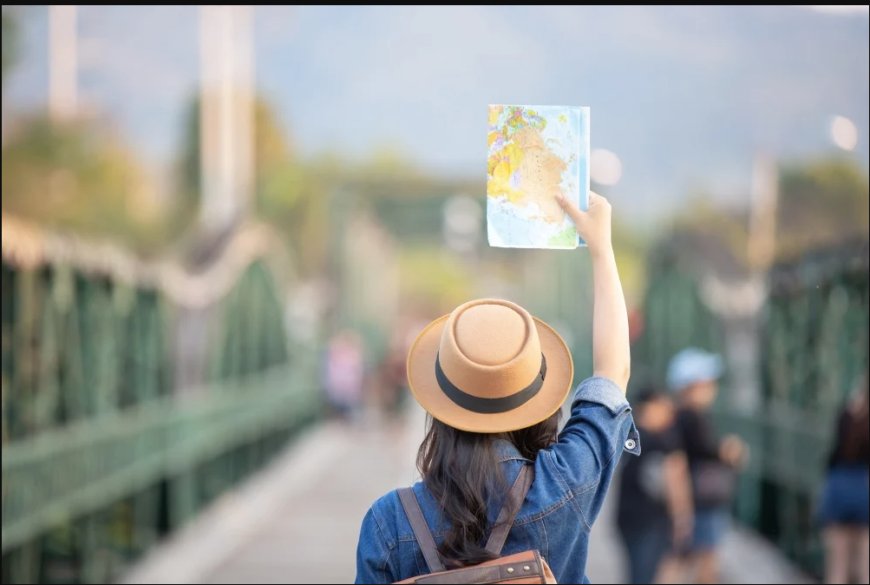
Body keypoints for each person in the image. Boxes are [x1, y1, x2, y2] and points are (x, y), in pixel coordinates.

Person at [355, 192, 638, 583]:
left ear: (441, 405)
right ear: (537, 401)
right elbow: (613, 372)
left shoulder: (388, 522)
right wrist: (602, 250)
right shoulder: (564, 483)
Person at [667, 348, 747, 585]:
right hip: (702, 497)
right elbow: (708, 450)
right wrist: (730, 451)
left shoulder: (681, 415)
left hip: (693, 496)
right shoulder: (692, 417)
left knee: (686, 559)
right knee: (705, 559)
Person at [616, 388, 692, 584]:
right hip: (651, 522)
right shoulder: (664, 439)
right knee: (645, 576)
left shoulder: (629, 435)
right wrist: (682, 519)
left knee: (637, 574)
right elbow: (675, 479)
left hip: (627, 519)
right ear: (651, 407)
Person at [819, 374, 869, 585]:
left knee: (837, 567)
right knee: (865, 567)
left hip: (840, 489)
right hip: (865, 490)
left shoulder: (846, 413)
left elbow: (833, 454)